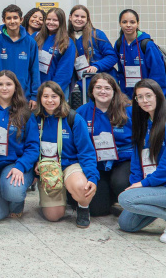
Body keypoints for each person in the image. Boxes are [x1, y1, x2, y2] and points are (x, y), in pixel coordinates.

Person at [118, 79, 166, 244]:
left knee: (126, 199)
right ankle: (165, 208)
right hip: (154, 186)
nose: (145, 101)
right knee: (126, 224)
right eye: (140, 97)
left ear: (158, 96)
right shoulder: (143, 124)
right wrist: (137, 183)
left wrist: (144, 185)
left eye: (148, 96)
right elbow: (137, 162)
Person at [0, 71, 40, 221]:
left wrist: (21, 166)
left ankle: (16, 202)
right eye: (0, 84)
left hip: (14, 165)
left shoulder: (25, 113)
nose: (4, 88)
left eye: (8, 84)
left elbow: (32, 147)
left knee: (13, 192)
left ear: (15, 87)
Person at [33, 81, 98, 227]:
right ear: (40, 99)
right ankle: (55, 197)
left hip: (69, 165)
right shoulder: (35, 118)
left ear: (61, 98)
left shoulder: (73, 118)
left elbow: (86, 151)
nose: (50, 100)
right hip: (47, 167)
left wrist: (92, 177)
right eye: (46, 96)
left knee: (82, 188)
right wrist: (35, 164)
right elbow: (30, 146)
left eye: (54, 96)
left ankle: (83, 207)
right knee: (54, 216)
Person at [75, 73, 133, 217]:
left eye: (107, 88)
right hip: (97, 163)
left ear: (114, 91)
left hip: (123, 160)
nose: (103, 91)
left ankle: (124, 198)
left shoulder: (128, 110)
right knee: (96, 210)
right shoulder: (81, 112)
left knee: (120, 182)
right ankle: (109, 199)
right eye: (98, 87)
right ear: (91, 91)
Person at [0, 4, 40, 107]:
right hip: (1, 95)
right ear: (3, 20)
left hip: (24, 95)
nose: (12, 21)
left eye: (15, 18)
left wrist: (34, 96)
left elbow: (34, 70)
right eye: (8, 18)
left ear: (21, 19)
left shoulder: (30, 43)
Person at [113, 9, 166, 99]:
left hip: (152, 96)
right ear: (120, 24)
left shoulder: (147, 45)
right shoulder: (119, 44)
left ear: (137, 23)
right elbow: (121, 72)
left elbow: (158, 73)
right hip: (131, 96)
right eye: (124, 22)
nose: (128, 25)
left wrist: (157, 96)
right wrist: (123, 95)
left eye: (132, 22)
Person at [68, 5, 118, 101]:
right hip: (84, 85)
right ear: (70, 17)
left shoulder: (97, 34)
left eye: (83, 17)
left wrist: (97, 66)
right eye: (76, 16)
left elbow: (112, 57)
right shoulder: (67, 38)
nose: (79, 19)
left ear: (87, 19)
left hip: (104, 82)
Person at [35, 8, 77, 95]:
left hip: (56, 89)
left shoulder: (66, 42)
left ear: (61, 22)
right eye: (48, 19)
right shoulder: (36, 37)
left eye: (55, 20)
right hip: (37, 89)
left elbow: (65, 72)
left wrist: (53, 91)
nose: (51, 22)